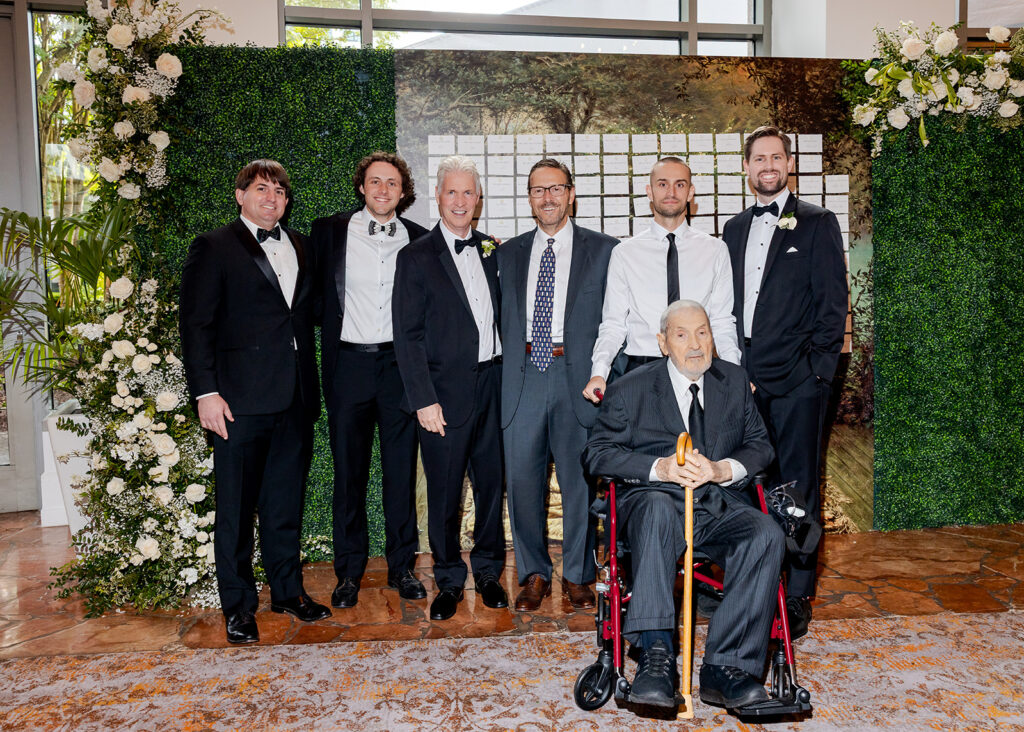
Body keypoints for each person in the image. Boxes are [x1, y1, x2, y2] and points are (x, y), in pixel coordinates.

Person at [583, 300, 783, 710]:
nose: (695, 345)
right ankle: (656, 657)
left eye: (703, 332)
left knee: (766, 533)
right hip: (651, 506)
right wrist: (660, 468)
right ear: (662, 342)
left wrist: (721, 469)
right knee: (657, 507)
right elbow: (596, 454)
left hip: (716, 505)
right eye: (681, 334)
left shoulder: (733, 381)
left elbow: (761, 446)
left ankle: (726, 669)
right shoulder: (630, 389)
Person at [179, 159, 330, 645]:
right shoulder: (214, 247)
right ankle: (239, 607)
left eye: (280, 191)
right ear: (240, 195)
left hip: (296, 398)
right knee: (237, 510)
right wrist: (205, 392)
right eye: (262, 189)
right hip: (238, 403)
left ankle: (288, 591)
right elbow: (196, 325)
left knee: (285, 505)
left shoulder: (302, 245)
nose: (272, 198)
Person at [722, 125, 848, 639]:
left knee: (797, 490)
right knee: (748, 487)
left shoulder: (818, 223)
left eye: (776, 157)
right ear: (747, 168)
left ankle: (797, 594)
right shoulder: (731, 228)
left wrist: (817, 375)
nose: (768, 166)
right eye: (759, 158)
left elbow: (832, 307)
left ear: (789, 165)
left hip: (799, 385)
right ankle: (756, 582)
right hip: (742, 384)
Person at [497, 158, 617, 612]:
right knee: (523, 481)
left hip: (578, 381)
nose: (547, 197)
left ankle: (580, 574)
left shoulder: (605, 250)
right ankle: (532, 573)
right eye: (537, 190)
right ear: (529, 198)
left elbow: (617, 320)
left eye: (556, 189)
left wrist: (608, 376)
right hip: (524, 376)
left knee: (579, 483)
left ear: (571, 194)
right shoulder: (507, 254)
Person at [310, 152, 429, 610]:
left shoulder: (420, 240)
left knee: (400, 475)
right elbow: (311, 296)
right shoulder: (329, 232)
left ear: (404, 193)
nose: (383, 190)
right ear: (362, 186)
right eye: (375, 182)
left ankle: (402, 568)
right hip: (349, 369)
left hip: (400, 370)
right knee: (349, 476)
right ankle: (348, 573)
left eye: (392, 184)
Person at [392, 155, 507, 621]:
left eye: (468, 192)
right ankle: (448, 578)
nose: (460, 201)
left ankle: (488, 572)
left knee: (491, 487)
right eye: (452, 192)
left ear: (478, 199)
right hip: (441, 395)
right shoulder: (415, 256)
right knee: (443, 492)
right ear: (438, 198)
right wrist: (423, 399)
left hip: (493, 386)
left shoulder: (493, 250)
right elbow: (408, 335)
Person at [584, 157, 741, 402]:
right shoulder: (625, 253)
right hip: (642, 371)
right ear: (649, 191)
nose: (671, 192)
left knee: (698, 442)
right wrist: (599, 373)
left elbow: (722, 322)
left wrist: (736, 375)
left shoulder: (716, 250)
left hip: (699, 370)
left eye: (680, 185)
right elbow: (613, 325)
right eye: (662, 184)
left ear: (690, 192)